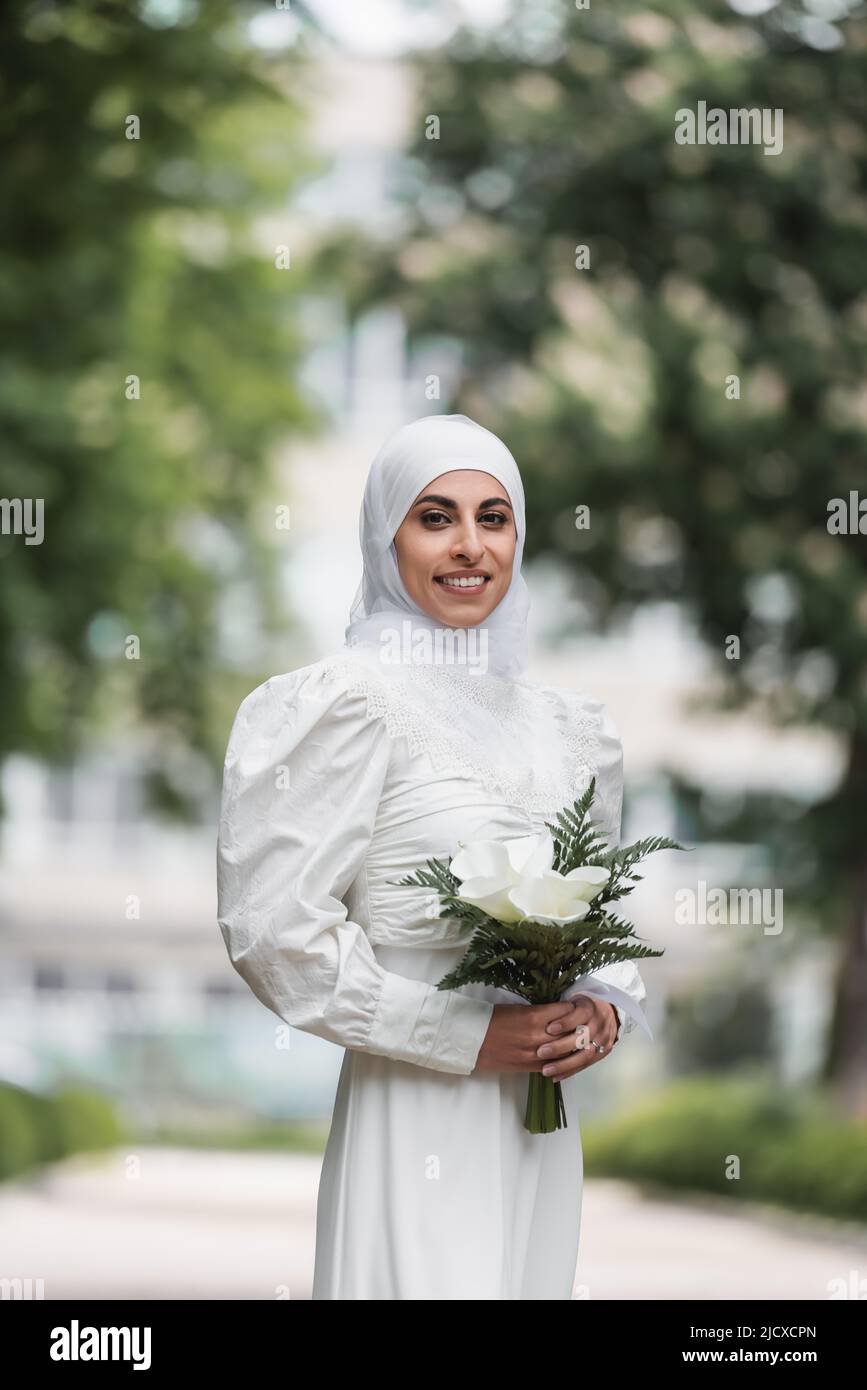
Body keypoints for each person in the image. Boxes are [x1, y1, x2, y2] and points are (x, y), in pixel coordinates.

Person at [216, 413, 649, 1300]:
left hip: (537, 1130)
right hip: (413, 1112)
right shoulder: (343, 703)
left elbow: (601, 912)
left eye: (494, 518)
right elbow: (278, 936)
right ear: (386, 537)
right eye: (434, 516)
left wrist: (600, 1009)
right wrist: (464, 1036)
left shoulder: (571, 730)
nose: (469, 546)